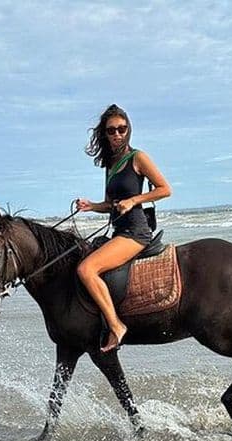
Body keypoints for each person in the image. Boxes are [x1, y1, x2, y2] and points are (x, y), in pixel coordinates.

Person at [76, 104, 172, 352]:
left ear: (128, 130)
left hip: (136, 233)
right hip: (119, 231)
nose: (117, 134)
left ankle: (116, 325)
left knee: (86, 269)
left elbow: (164, 189)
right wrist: (91, 206)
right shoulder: (110, 165)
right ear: (104, 134)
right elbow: (110, 204)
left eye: (122, 129)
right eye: (112, 130)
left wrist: (134, 200)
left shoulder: (138, 157)